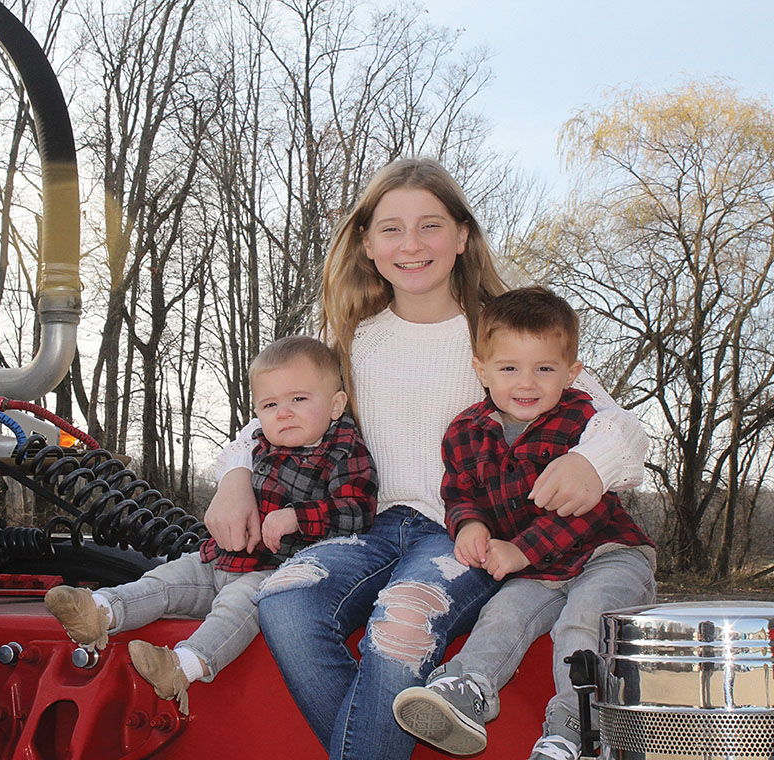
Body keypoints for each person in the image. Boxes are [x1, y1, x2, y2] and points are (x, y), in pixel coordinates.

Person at [204, 158, 648, 760]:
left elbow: (618, 426)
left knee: (402, 626)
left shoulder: (501, 336)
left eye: (430, 226)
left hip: (460, 531)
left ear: (462, 237)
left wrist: (591, 465)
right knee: (285, 599)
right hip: (369, 525)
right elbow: (269, 421)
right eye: (391, 229)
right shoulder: (350, 337)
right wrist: (234, 479)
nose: (411, 245)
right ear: (365, 242)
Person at [44, 335, 377, 714]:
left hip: (274, 571)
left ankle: (182, 667)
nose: (283, 412)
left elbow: (358, 511)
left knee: (236, 610)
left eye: (298, 399)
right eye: (270, 404)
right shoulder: (256, 444)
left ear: (335, 404)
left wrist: (297, 517)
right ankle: (99, 611)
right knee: (163, 581)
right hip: (219, 559)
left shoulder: (343, 449)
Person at [390, 286, 656, 759]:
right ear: (481, 369)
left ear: (571, 373)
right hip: (536, 571)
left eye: (545, 369)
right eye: (509, 368)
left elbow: (589, 511)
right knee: (501, 616)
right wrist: (470, 526)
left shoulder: (584, 420)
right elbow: (460, 492)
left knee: (581, 625)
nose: (526, 383)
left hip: (607, 556)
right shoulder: (465, 431)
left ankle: (579, 731)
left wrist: (520, 550)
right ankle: (465, 688)